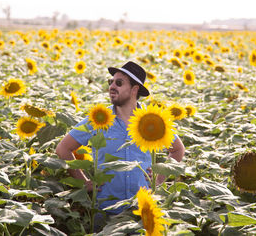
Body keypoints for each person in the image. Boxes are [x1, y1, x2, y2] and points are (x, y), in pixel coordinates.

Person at [55, 61, 185, 221]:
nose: (111, 86)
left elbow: (178, 149)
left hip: (140, 211)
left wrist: (159, 178)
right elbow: (63, 149)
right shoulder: (98, 119)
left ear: (134, 89)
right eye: (111, 82)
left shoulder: (152, 120)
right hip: (104, 212)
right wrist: (83, 183)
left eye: (119, 83)